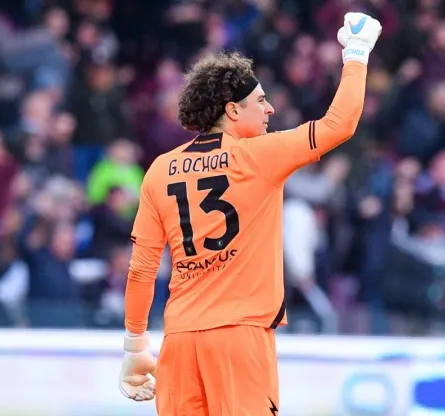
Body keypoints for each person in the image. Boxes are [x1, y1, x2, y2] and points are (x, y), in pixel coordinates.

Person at [117, 12, 383, 416]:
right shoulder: (260, 156)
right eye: (261, 101)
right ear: (232, 110)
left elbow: (141, 270)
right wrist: (357, 54)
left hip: (180, 341)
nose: (271, 109)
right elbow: (339, 124)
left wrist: (135, 346)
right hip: (239, 338)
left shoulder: (158, 169)